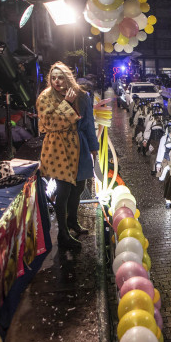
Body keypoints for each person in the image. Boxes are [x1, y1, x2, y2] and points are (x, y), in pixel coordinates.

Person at [37, 62, 99, 249]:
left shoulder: (82, 95)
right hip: (57, 147)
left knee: (79, 186)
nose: (57, 81)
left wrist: (93, 147)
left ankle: (73, 221)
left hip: (79, 145)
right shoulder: (45, 97)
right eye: (53, 78)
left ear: (68, 77)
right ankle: (63, 233)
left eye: (61, 77)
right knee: (63, 191)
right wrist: (67, 104)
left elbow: (88, 123)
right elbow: (48, 124)